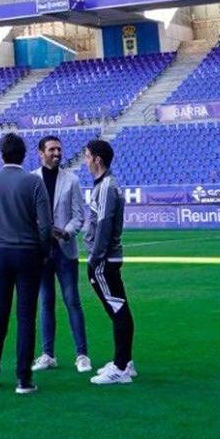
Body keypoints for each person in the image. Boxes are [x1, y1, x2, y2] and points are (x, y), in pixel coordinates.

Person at [0, 133, 53, 395]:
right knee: (26, 317)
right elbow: (46, 225)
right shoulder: (34, 182)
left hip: (1, 254)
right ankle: (23, 379)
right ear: (24, 155)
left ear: (2, 154)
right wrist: (43, 252)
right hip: (29, 254)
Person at [30, 135, 91, 374]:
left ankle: (82, 355)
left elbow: (79, 216)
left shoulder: (72, 180)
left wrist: (65, 232)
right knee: (46, 302)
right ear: (41, 153)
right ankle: (48, 354)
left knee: (72, 300)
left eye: (59, 150)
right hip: (41, 252)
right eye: (51, 150)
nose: (56, 153)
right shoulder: (31, 180)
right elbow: (29, 215)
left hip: (65, 250)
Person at [82, 138, 136, 385]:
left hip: (104, 259)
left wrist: (95, 258)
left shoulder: (106, 187)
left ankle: (120, 367)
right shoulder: (107, 185)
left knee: (118, 309)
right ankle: (125, 362)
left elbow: (104, 224)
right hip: (108, 258)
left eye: (87, 156)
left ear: (97, 159)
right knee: (118, 307)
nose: (85, 161)